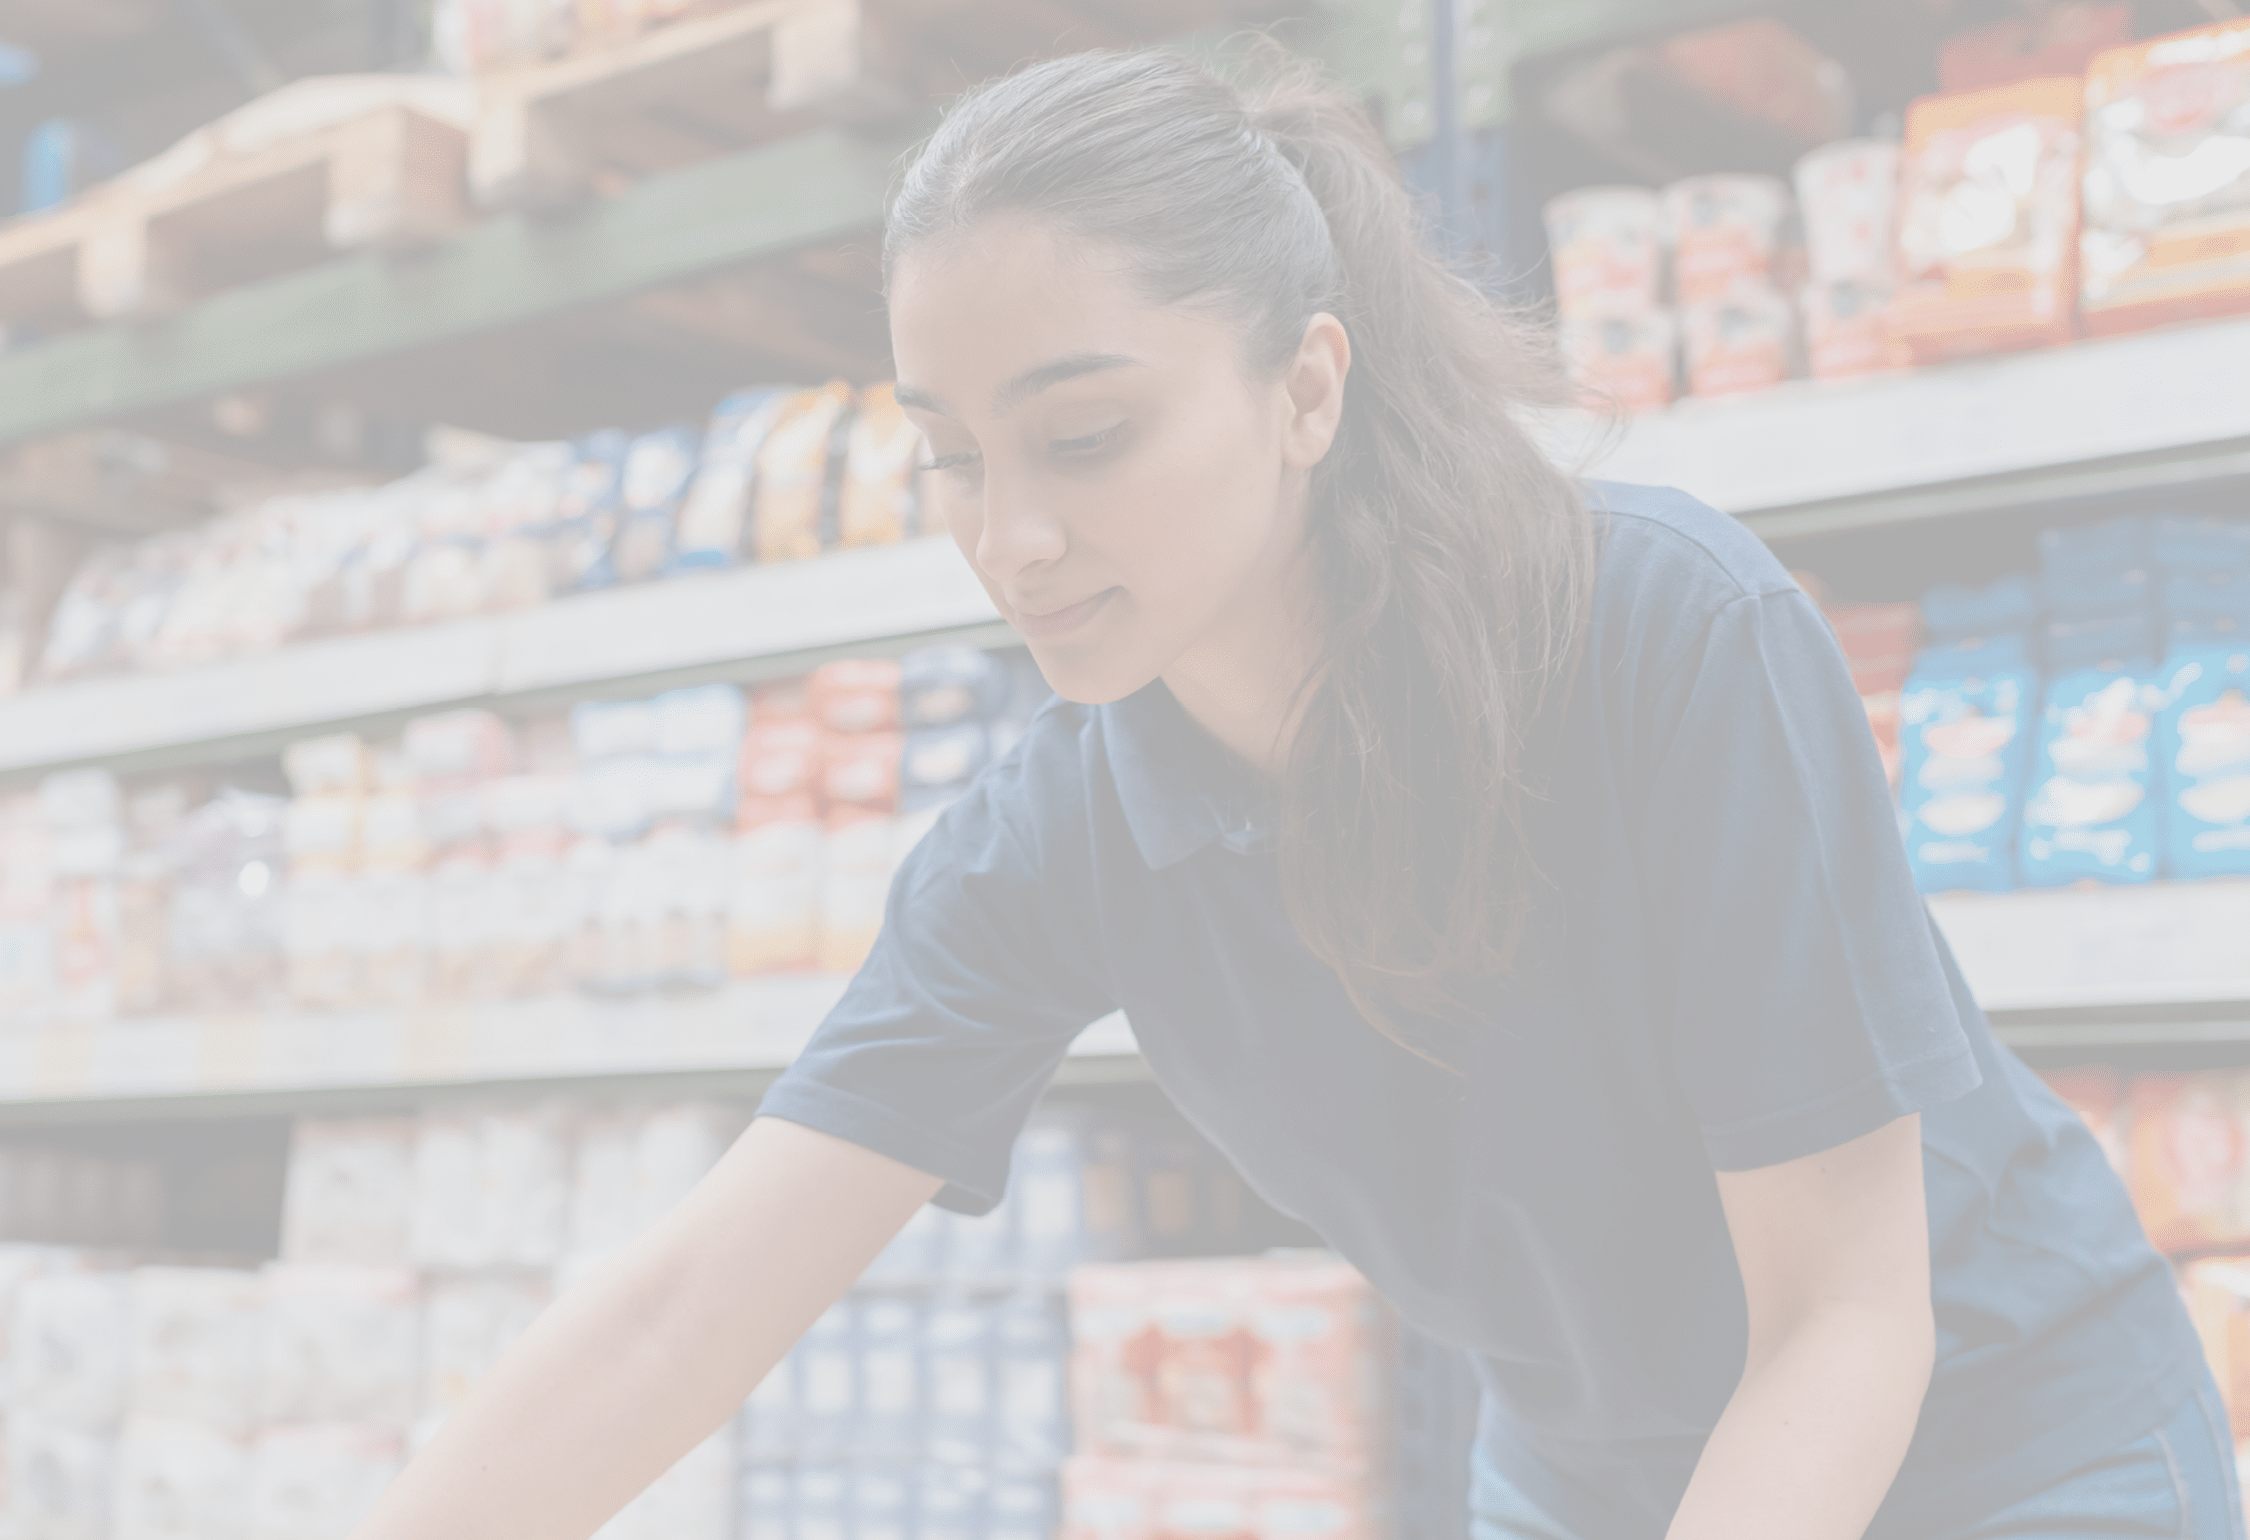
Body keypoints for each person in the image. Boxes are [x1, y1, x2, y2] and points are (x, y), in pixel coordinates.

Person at [352, 48, 2240, 1540]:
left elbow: (1843, 1315)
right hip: (1599, 1486)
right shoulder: (1058, 834)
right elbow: (685, 1309)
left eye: (1086, 437)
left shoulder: (1665, 632)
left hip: (2004, 1448)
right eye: (949, 458)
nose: (1011, 537)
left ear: (1306, 388)